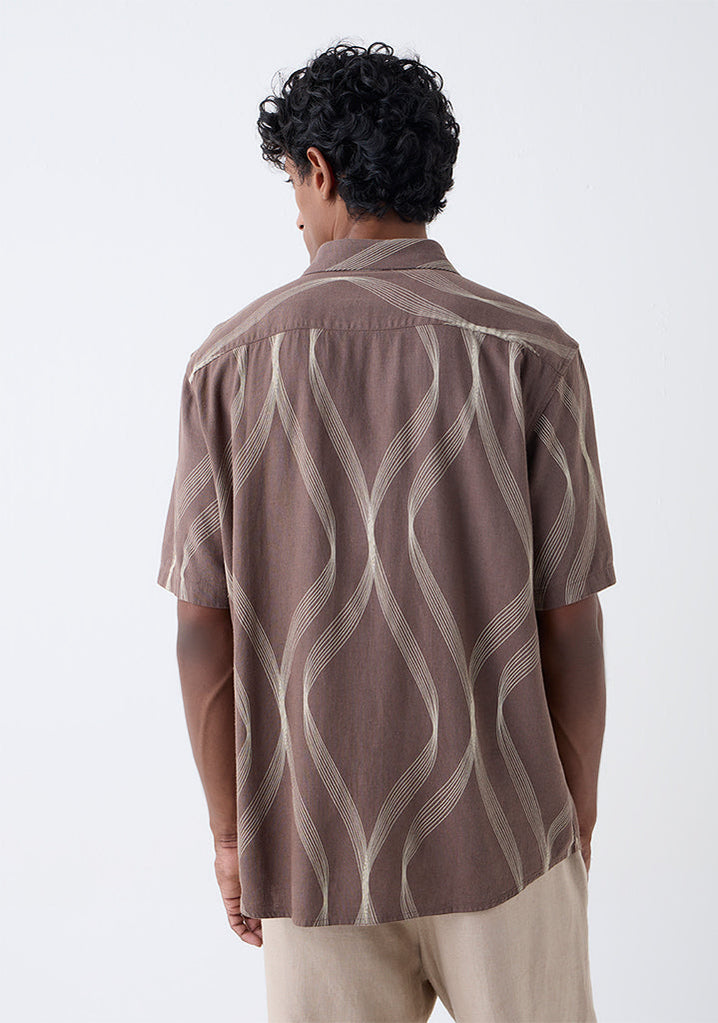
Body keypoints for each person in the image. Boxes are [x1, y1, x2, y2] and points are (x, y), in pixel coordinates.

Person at [157, 39, 616, 1023]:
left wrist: (232, 836)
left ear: (319, 170)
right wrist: (571, 818)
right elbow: (571, 620)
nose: (295, 211)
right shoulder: (531, 354)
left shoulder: (225, 367)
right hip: (506, 837)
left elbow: (201, 628)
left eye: (293, 181)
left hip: (311, 847)